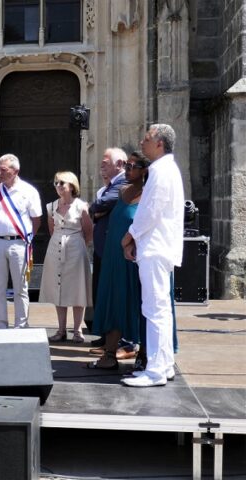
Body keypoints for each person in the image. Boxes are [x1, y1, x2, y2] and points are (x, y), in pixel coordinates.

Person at [122, 124, 184, 387]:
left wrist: (130, 235)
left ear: (159, 143)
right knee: (160, 308)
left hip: (155, 247)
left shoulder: (160, 170)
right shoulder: (167, 169)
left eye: (147, 138)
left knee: (154, 308)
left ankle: (156, 371)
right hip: (160, 246)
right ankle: (165, 364)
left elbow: (150, 211)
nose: (142, 142)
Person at [87, 153, 149, 369]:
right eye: (127, 165)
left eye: (132, 166)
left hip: (133, 258)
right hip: (114, 256)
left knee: (138, 304)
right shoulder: (122, 190)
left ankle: (143, 354)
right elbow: (97, 209)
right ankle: (109, 355)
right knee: (113, 303)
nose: (127, 170)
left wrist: (128, 240)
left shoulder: (149, 194)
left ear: (145, 170)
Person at [0, 154, 42, 329]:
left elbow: (36, 219)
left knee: (20, 287)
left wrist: (28, 239)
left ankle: (21, 324)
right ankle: (0, 323)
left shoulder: (29, 191)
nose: (0, 173)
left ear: (15, 171)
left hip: (19, 243)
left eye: (3, 170)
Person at [40, 171, 93, 342]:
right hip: (55, 247)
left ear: (71, 185)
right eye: (56, 183)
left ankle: (77, 330)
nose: (58, 186)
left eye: (62, 182)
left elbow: (88, 231)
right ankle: (61, 329)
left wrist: (77, 245)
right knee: (59, 287)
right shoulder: (51, 206)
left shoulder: (81, 206)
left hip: (76, 248)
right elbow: (52, 229)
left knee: (78, 289)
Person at [87, 148, 127, 344]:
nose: (101, 166)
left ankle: (117, 340)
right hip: (103, 248)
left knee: (113, 295)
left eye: (105, 163)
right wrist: (96, 210)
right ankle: (106, 337)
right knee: (101, 293)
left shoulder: (123, 183)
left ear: (119, 164)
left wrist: (96, 209)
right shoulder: (109, 186)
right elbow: (96, 209)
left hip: (114, 249)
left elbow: (101, 204)